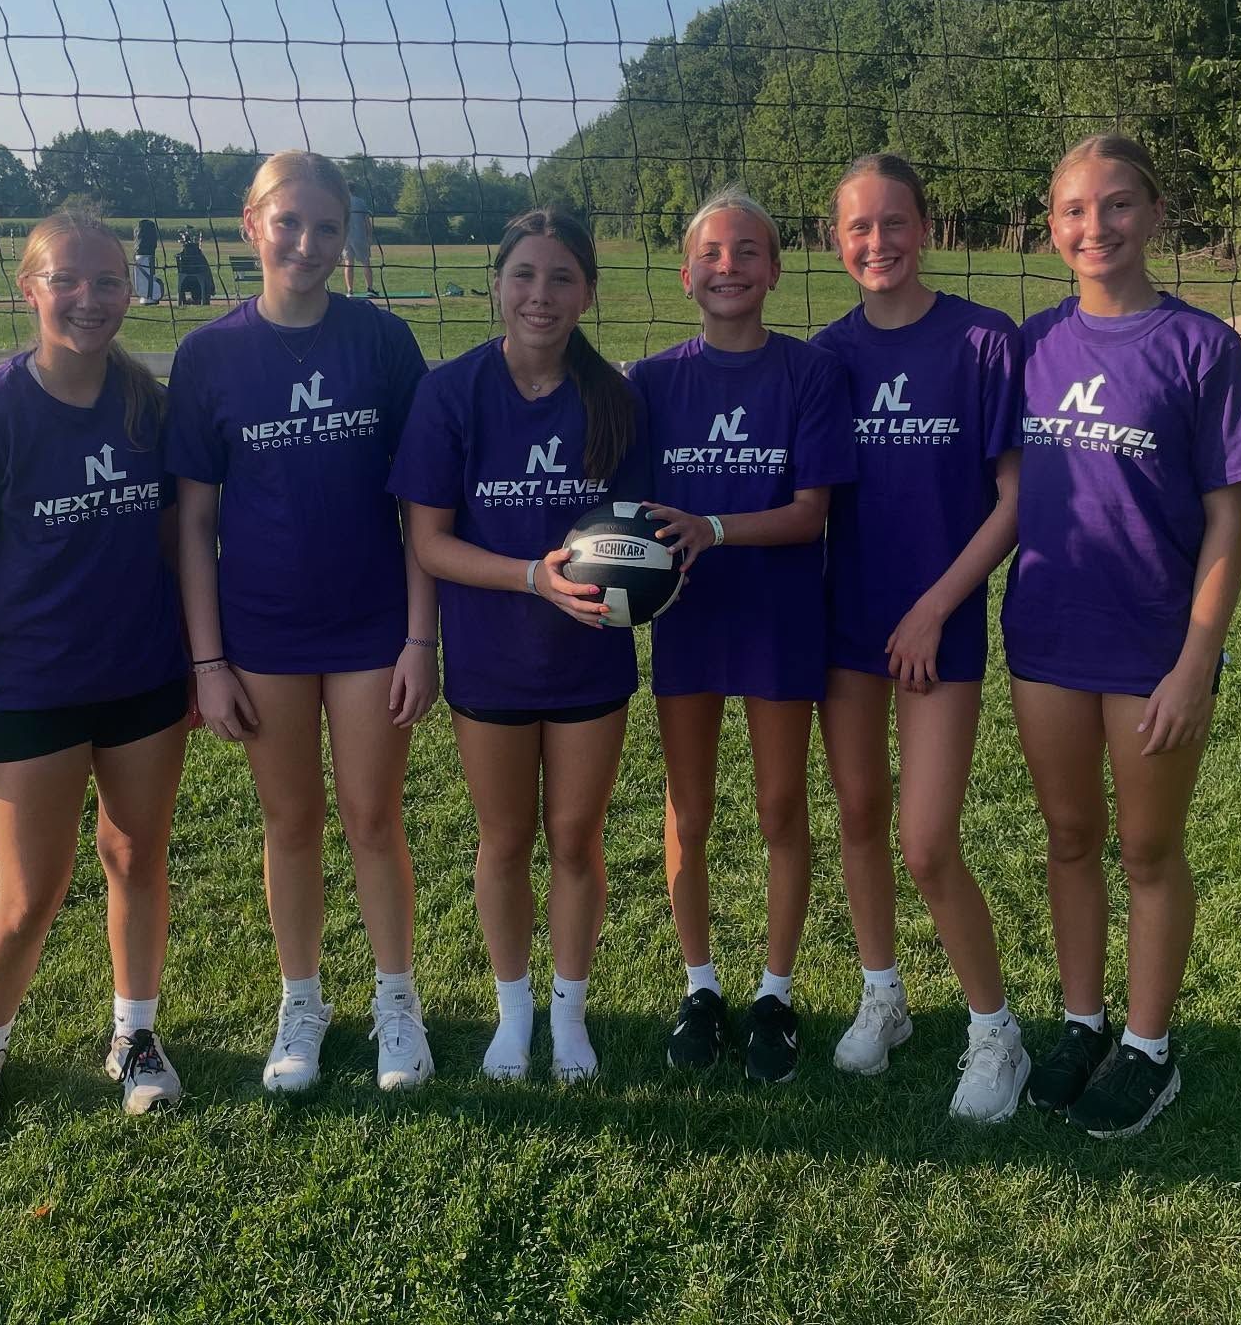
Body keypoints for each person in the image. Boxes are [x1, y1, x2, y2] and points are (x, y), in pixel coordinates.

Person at [1003, 134, 1241, 1137]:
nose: (1096, 227)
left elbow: (1227, 520)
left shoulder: (1201, 347)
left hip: (1156, 648)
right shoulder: (1027, 347)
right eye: (1075, 209)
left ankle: (1150, 1048)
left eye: (1118, 205)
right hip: (1047, 637)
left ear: (1155, 215)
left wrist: (1197, 660)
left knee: (1149, 851)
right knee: (1070, 838)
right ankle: (1083, 1022)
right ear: (1051, 226)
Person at [167, 150, 439, 1095]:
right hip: (263, 634)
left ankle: (397, 1003)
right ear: (253, 226)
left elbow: (421, 507)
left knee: (372, 816)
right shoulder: (209, 355)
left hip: (370, 629)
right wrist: (208, 660)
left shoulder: (382, 341)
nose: (308, 244)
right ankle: (303, 1001)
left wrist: (419, 638)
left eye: (328, 228)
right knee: (290, 820)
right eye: (290, 224)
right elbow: (193, 522)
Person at [0, 211, 191, 1134]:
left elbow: (170, 546)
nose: (89, 298)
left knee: (135, 857)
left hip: (145, 679)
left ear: (130, 289)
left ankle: (135, 1035)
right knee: (31, 892)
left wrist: (196, 664)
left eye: (107, 281)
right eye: (66, 281)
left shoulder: (149, 407)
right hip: (34, 687)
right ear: (27, 288)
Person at [392, 208, 644, 1082]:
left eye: (561, 278)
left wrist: (653, 576)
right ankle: (513, 1013)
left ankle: (569, 1015)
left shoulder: (614, 396)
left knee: (576, 840)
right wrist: (531, 578)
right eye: (524, 276)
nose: (541, 296)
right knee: (503, 840)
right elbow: (427, 542)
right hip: (491, 654)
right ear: (497, 283)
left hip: (591, 659)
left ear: (587, 293)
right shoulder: (451, 391)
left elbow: (638, 536)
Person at [810, 154, 1028, 1121]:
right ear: (834, 241)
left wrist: (937, 605)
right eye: (859, 228)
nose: (878, 243)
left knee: (928, 841)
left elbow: (1015, 502)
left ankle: (996, 1032)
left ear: (925, 228)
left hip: (938, 623)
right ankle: (883, 994)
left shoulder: (982, 341)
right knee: (858, 817)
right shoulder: (823, 357)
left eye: (894, 223)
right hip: (845, 621)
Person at [629, 187, 856, 1083]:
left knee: (779, 807)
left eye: (749, 251)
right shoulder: (649, 382)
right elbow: (629, 515)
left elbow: (810, 514)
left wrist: (712, 527)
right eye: (713, 253)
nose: (730, 266)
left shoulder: (807, 374)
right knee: (689, 808)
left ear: (775, 268)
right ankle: (701, 986)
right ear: (686, 274)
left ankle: (774, 992)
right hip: (686, 622)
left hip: (777, 615)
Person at [342, 193, 375, 296]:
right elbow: (366, 220)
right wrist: (369, 235)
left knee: (348, 263)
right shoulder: (360, 202)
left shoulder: (342, 201)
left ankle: (350, 290)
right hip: (360, 236)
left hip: (346, 237)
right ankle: (369, 289)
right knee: (366, 262)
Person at [134, 218, 163, 304]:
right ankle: (150, 296)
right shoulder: (149, 229)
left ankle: (149, 295)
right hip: (146, 256)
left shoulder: (141, 230)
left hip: (143, 256)